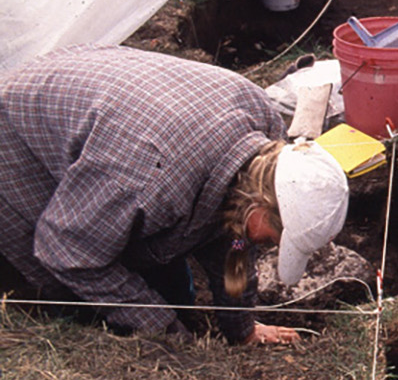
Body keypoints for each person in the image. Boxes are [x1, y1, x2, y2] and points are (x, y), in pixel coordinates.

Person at [0, 43, 351, 345]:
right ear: (261, 204)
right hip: (19, 133)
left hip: (113, 114)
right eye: (276, 239)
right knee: (73, 300)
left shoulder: (264, 136)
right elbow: (66, 251)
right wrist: (166, 333)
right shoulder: (149, 181)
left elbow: (236, 245)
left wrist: (241, 328)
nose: (271, 246)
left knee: (170, 292)